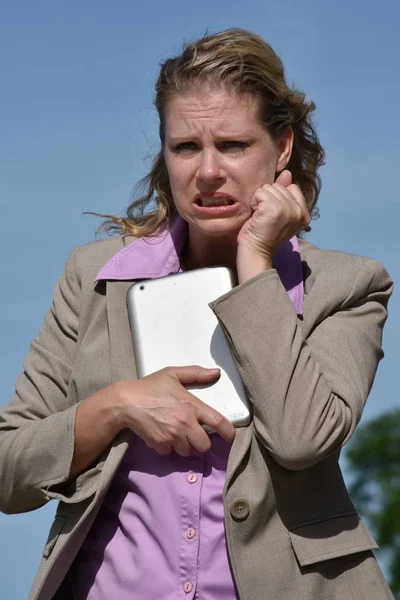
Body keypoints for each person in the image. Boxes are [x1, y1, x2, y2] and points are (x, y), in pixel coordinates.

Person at [0, 28, 394, 600]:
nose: (207, 172)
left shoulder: (347, 285)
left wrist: (256, 262)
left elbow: (303, 441)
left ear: (281, 147)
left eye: (233, 145)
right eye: (185, 147)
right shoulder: (95, 276)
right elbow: (9, 470)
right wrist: (116, 405)